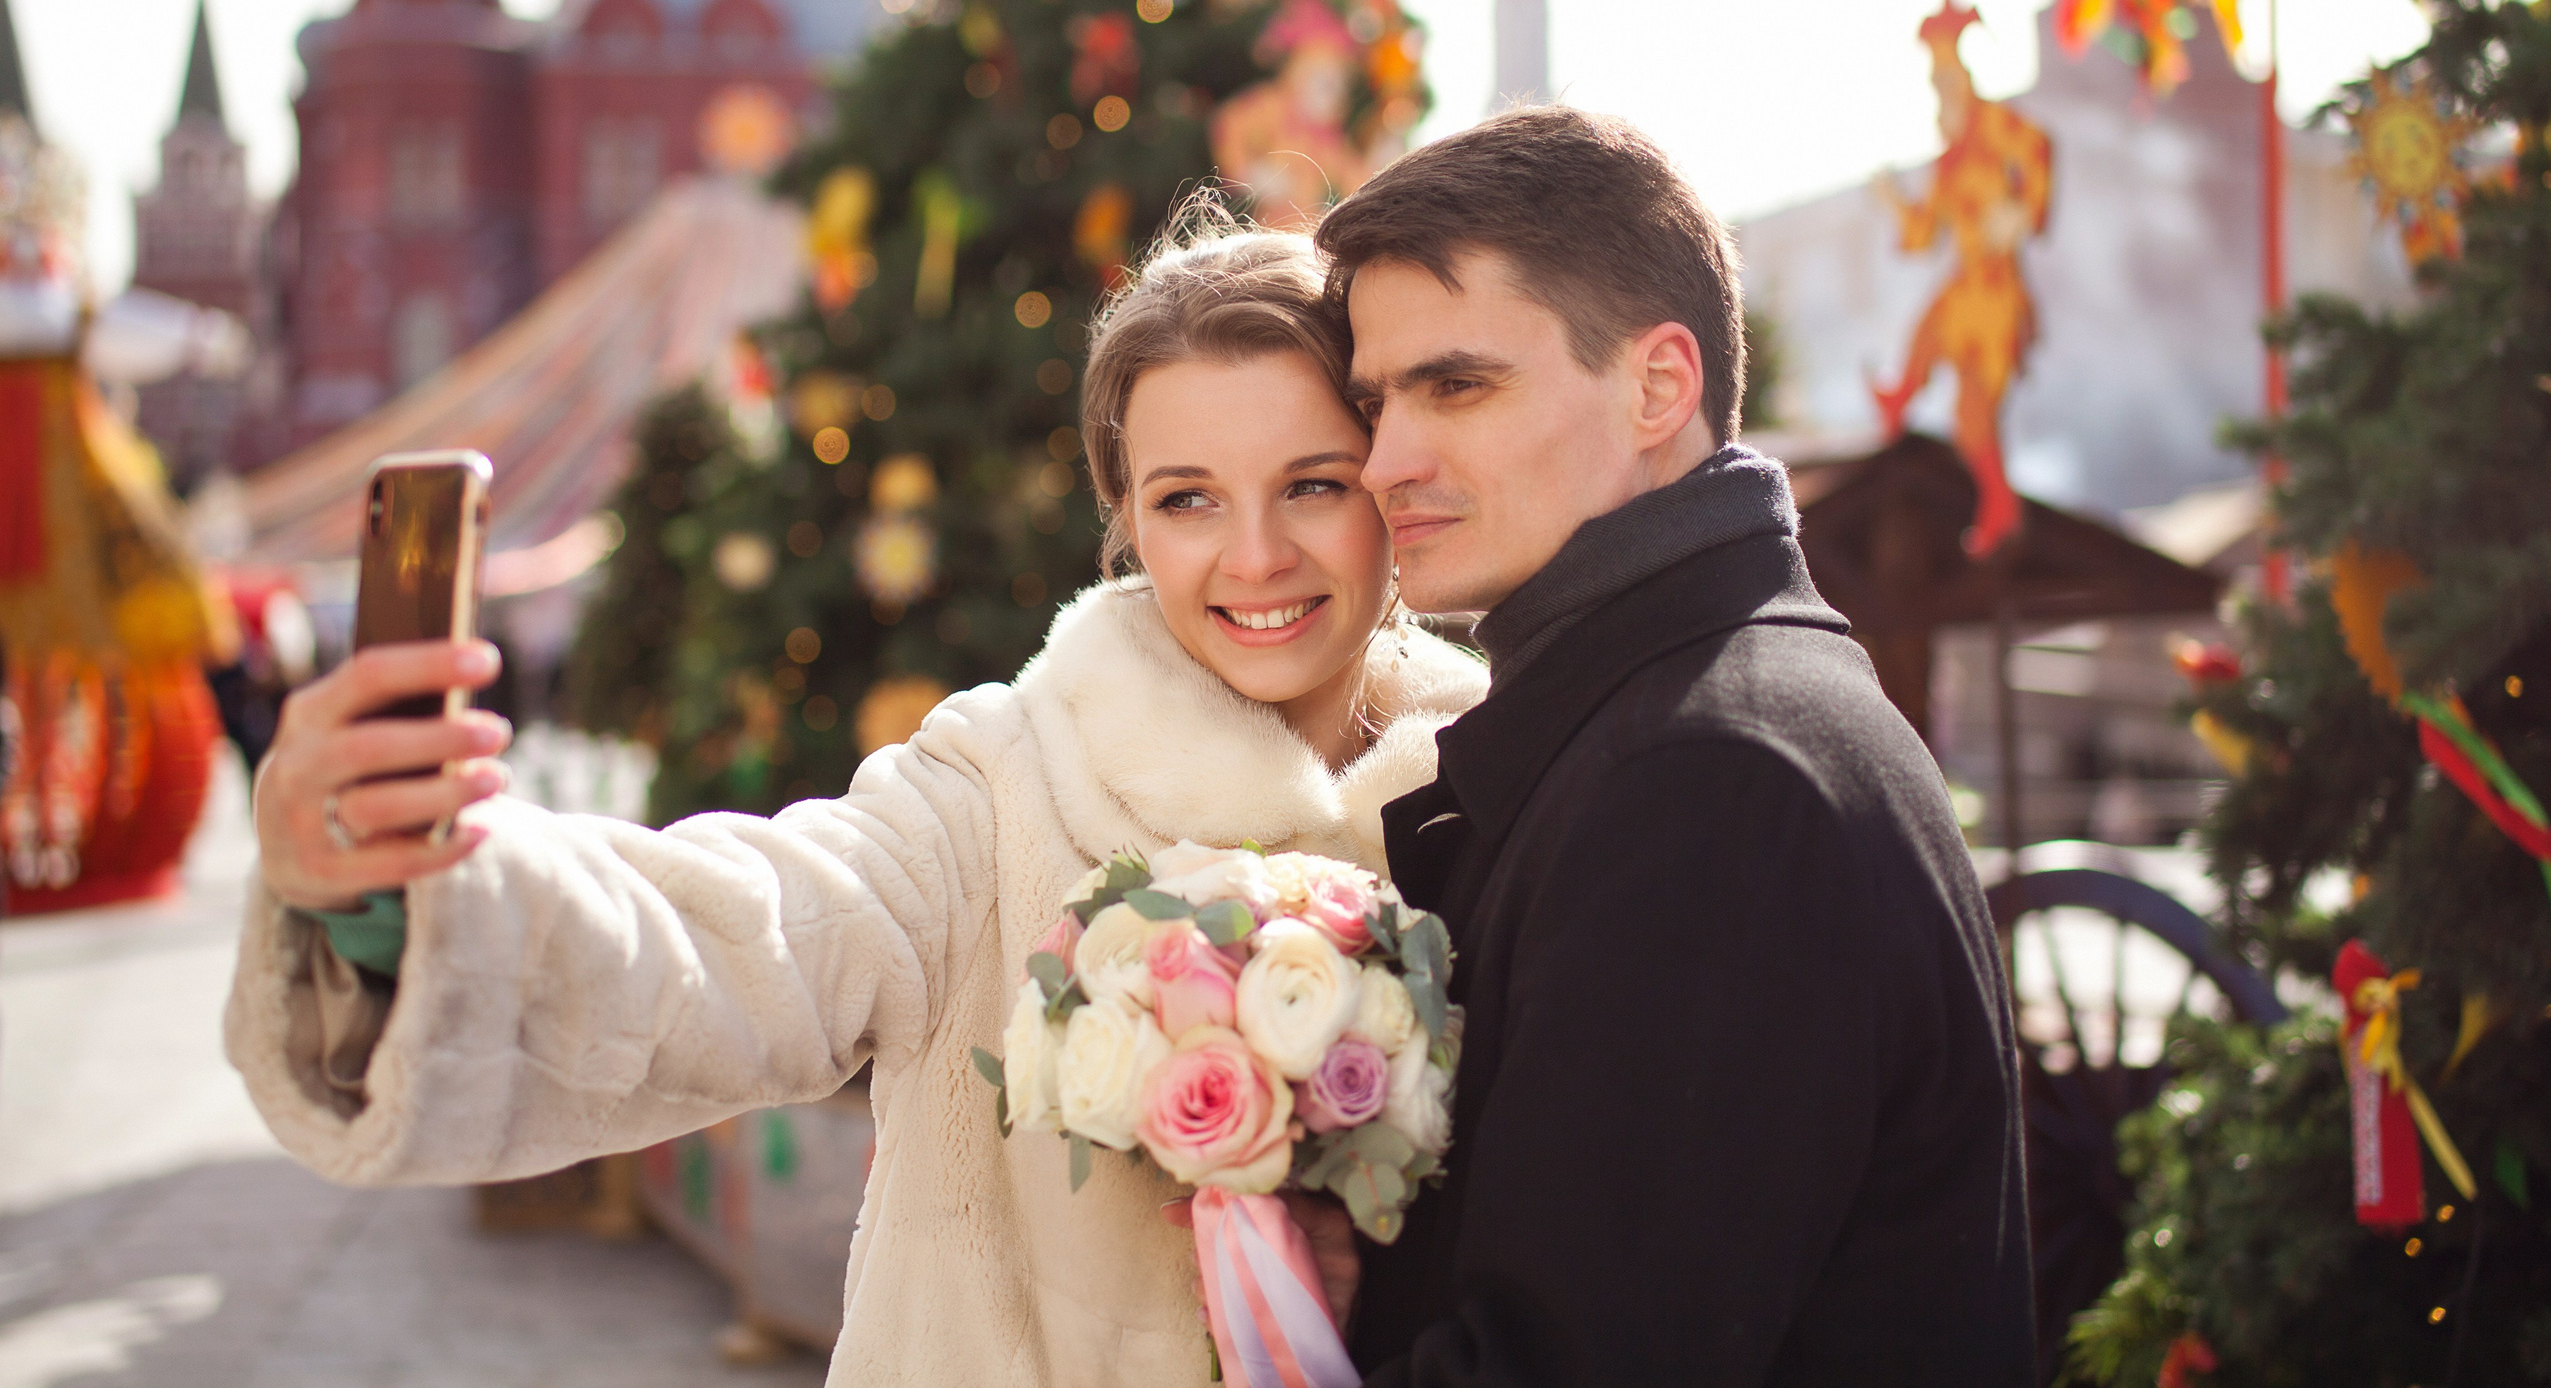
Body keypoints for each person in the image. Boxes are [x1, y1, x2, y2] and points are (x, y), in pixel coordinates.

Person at [224, 226, 1486, 1388]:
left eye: (1312, 483)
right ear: (1125, 523)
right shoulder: (995, 784)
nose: (1254, 554)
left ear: (1388, 482)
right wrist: (399, 892)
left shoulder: (1497, 787)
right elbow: (746, 934)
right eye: (1187, 498)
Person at [1318, 106, 2034, 1386]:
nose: (1386, 459)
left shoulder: (1712, 779)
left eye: (1457, 384)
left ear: (1658, 385)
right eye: (1377, 401)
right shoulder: (1690, 716)